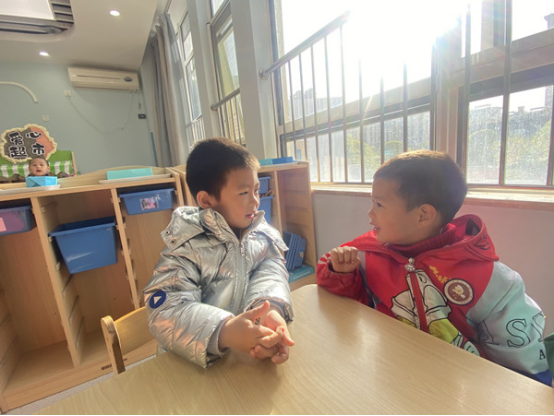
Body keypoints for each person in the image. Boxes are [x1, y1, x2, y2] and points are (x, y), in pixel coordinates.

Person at [317, 150, 552, 386]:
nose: (370, 213)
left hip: (457, 387)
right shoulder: (368, 252)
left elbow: (521, 365)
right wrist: (341, 274)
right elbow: (350, 307)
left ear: (423, 216)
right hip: (389, 373)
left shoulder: (492, 280)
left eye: (379, 204)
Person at [144, 137, 294, 369]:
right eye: (244, 193)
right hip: (189, 363)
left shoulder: (259, 233)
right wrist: (225, 331)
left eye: (257, 190)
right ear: (206, 200)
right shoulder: (186, 247)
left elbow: (270, 270)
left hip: (237, 358)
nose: (255, 201)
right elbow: (166, 311)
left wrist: (269, 309)